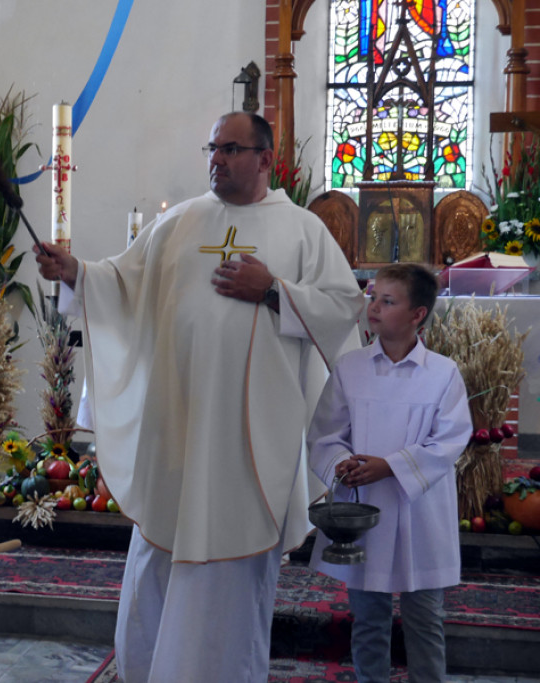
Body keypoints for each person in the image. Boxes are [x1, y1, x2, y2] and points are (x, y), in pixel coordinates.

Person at [34, 111, 364, 682]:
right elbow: (123, 284)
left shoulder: (303, 231)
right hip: (177, 434)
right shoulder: (179, 223)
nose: (217, 160)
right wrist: (76, 273)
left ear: (265, 159)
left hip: (251, 442)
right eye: (212, 148)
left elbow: (342, 309)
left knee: (232, 576)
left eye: (231, 149)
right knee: (158, 561)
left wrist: (274, 290)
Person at [307, 263, 472, 682]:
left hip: (421, 512)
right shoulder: (350, 367)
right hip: (363, 511)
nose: (374, 307)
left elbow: (450, 439)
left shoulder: (442, 373)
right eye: (373, 297)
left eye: (388, 300)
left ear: (418, 314)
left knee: (425, 619)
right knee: (368, 619)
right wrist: (340, 463)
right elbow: (325, 434)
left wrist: (391, 467)